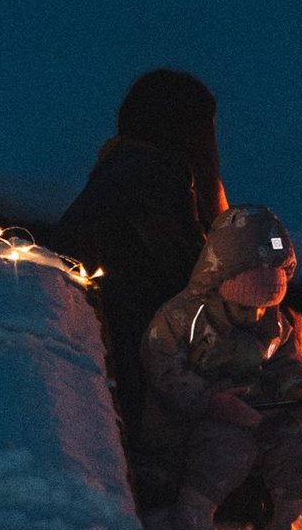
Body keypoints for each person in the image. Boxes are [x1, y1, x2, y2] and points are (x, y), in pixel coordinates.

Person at [138, 206, 302, 530]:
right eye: (250, 300)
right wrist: (211, 401)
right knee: (227, 445)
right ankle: (190, 520)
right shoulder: (183, 317)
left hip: (258, 412)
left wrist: (300, 393)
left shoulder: (276, 322)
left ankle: (284, 527)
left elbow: (286, 362)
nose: (259, 311)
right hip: (192, 421)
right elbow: (163, 371)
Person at [50, 70, 225, 434]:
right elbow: (192, 278)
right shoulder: (156, 177)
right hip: (131, 355)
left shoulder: (120, 167)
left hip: (106, 338)